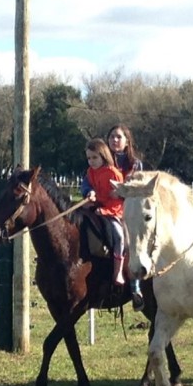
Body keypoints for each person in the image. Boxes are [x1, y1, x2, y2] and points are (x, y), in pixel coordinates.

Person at [106, 124, 145, 310]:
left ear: (127, 141)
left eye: (118, 137)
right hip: (102, 207)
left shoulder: (135, 164)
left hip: (126, 210)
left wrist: (120, 194)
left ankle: (135, 287)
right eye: (112, 136)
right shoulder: (101, 159)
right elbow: (89, 179)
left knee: (128, 242)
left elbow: (136, 188)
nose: (115, 140)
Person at [83, 138, 126, 287]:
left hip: (113, 211)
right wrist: (90, 194)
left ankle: (118, 270)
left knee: (119, 236)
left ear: (103, 155)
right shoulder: (90, 172)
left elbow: (118, 199)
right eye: (89, 158)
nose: (91, 161)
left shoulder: (114, 173)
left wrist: (105, 210)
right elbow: (89, 188)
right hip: (96, 206)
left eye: (95, 157)